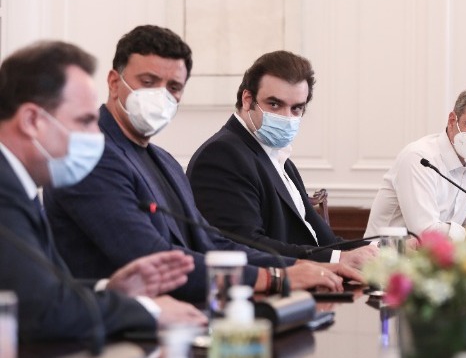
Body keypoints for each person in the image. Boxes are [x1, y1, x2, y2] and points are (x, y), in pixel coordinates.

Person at [43, 26, 362, 304]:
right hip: (111, 329)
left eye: (173, 87)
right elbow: (156, 261)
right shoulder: (89, 156)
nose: (161, 96)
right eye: (148, 81)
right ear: (114, 82)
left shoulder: (164, 160)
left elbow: (213, 243)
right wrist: (277, 278)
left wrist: (300, 267)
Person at [0, 40, 207, 343]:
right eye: (85, 121)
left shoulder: (17, 185)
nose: (96, 136)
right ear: (32, 121)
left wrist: (109, 290)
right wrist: (148, 310)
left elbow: (44, 289)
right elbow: (43, 312)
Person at [187, 50, 378, 268]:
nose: (287, 117)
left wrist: (383, 249)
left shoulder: (278, 157)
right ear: (247, 100)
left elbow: (324, 242)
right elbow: (245, 245)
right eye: (275, 104)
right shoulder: (222, 155)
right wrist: (339, 259)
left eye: (296, 108)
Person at [364, 88, 466, 241]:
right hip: (385, 253)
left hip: (444, 254)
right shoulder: (419, 158)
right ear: (452, 121)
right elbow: (426, 233)